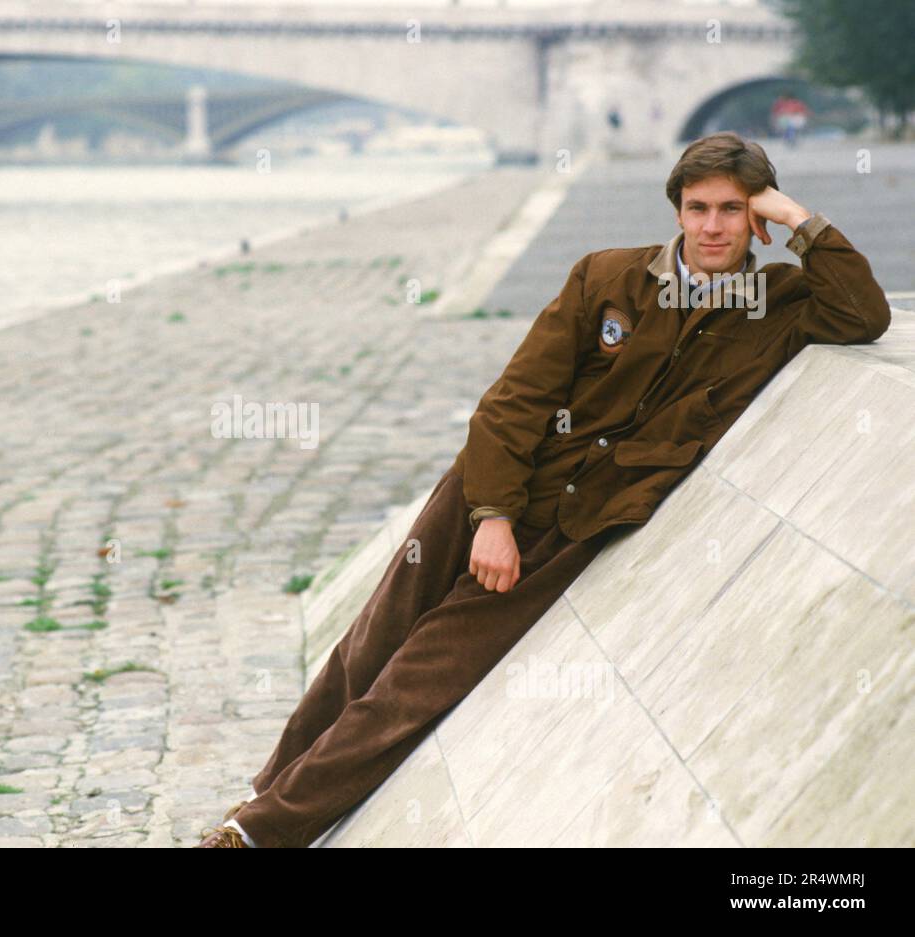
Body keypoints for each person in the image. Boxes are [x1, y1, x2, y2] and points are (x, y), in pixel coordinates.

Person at [196, 131, 891, 847]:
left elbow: (865, 315)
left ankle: (255, 834)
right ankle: (265, 788)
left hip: (578, 525)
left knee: (418, 681)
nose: (713, 226)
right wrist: (491, 516)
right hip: (487, 490)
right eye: (697, 208)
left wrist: (801, 220)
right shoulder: (605, 278)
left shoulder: (777, 301)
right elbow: (513, 403)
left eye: (733, 209)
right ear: (676, 211)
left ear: (758, 220)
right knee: (370, 644)